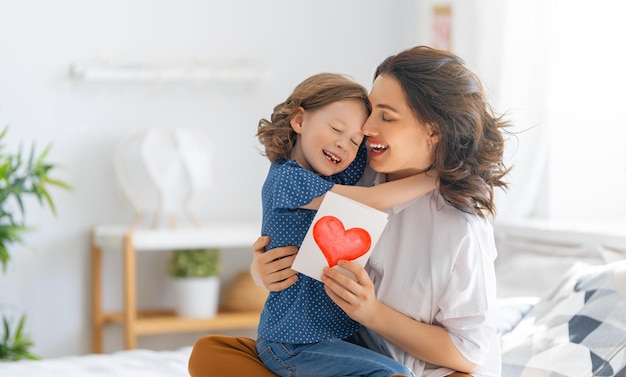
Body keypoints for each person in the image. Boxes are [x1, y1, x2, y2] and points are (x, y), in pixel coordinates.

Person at [188, 46, 510, 377]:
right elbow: (299, 226)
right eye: (370, 112)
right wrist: (263, 271)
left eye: (386, 116)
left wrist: (372, 313)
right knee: (211, 352)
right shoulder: (358, 172)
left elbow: (469, 356)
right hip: (344, 351)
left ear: (433, 130)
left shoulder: (460, 224)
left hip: (423, 369)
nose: (366, 129)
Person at [256, 72, 436, 377]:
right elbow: (372, 199)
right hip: (293, 341)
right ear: (299, 121)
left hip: (336, 337)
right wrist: (439, 176)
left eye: (355, 141)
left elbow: (384, 150)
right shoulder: (286, 178)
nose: (344, 145)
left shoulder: (332, 174)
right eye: (336, 129)